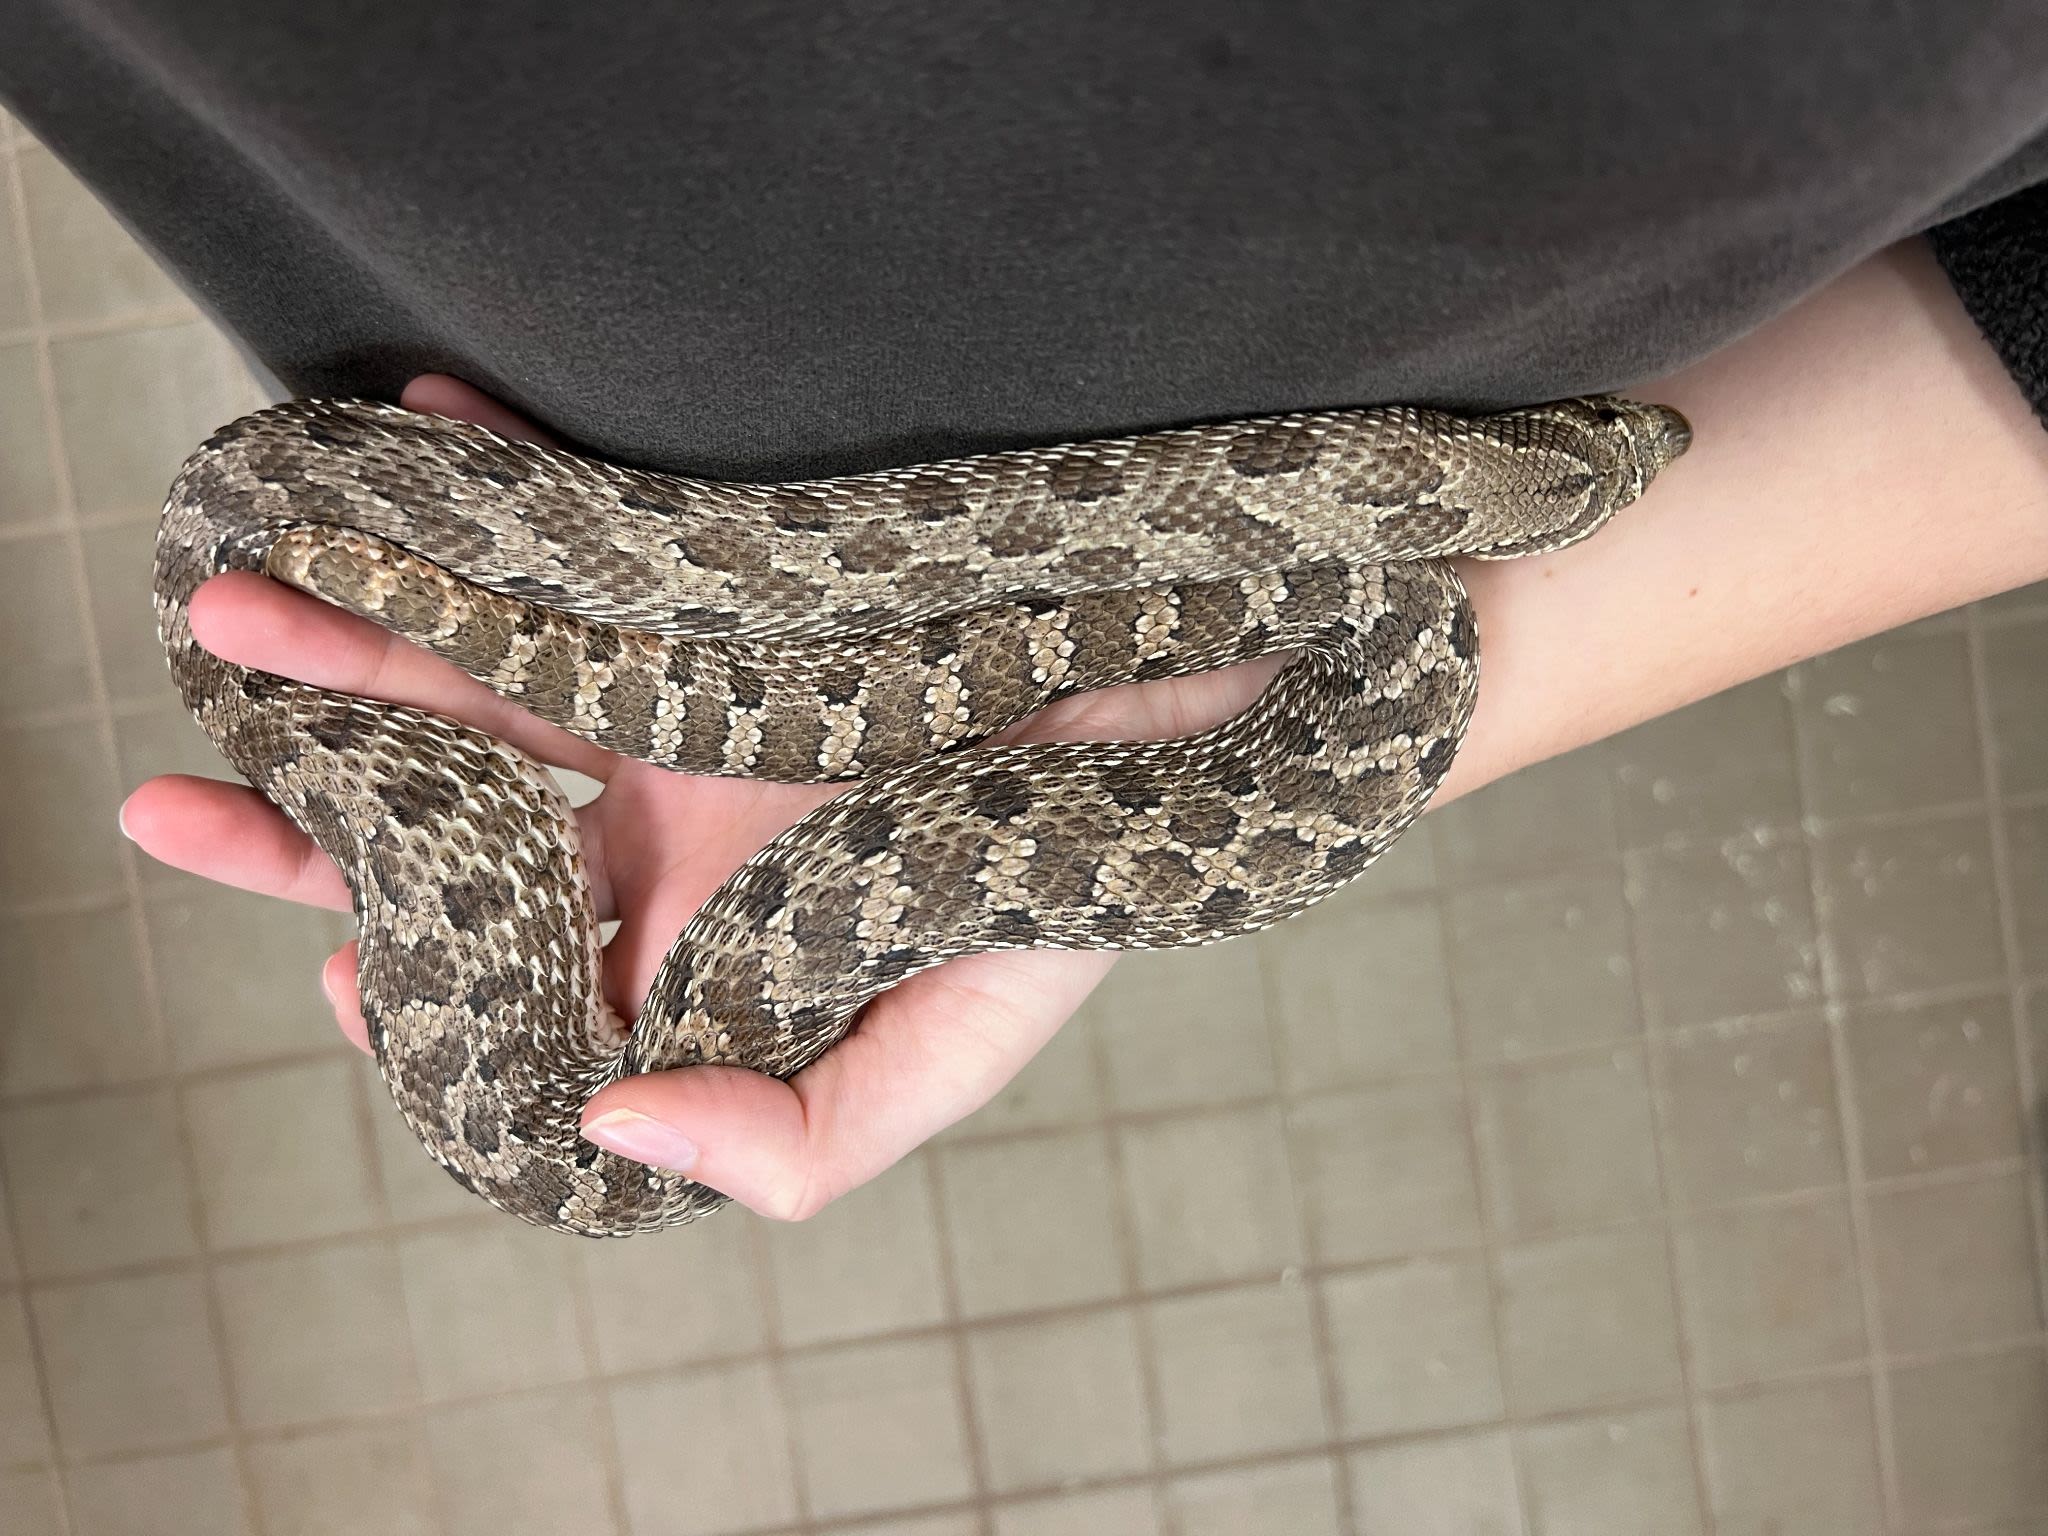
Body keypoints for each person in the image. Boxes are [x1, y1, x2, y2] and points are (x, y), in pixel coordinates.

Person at [6, 3, 2043, 1221]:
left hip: (522, 441)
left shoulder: (1326, 544)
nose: (1610, 456)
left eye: (1580, 454)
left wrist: (1070, 822)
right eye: (1587, 449)